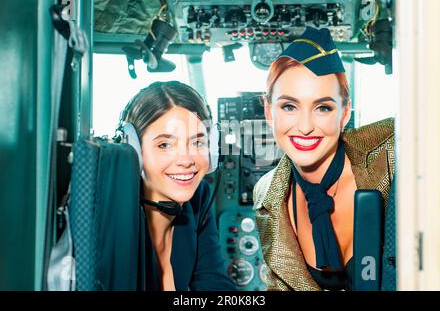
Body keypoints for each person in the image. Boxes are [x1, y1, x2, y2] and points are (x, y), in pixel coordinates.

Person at [253, 27, 395, 291]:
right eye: (289, 106)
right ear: (269, 111)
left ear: (344, 113)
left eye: (322, 108)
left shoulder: (395, 152)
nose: (305, 127)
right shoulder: (265, 193)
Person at [120, 81, 236, 291]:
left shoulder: (198, 197)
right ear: (134, 150)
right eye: (165, 145)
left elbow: (214, 284)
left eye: (197, 142)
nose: (186, 160)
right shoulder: (115, 218)